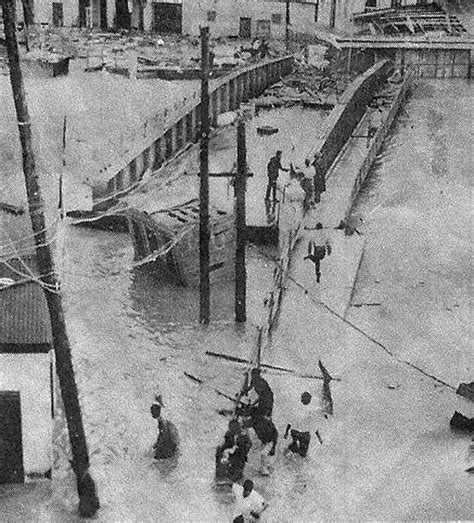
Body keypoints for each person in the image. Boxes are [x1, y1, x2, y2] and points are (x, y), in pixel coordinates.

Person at [284, 392, 319, 458]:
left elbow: (289, 423)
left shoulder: (296, 409)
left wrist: (286, 433)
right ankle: (297, 453)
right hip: (303, 435)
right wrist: (319, 438)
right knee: (302, 453)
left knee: (295, 448)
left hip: (296, 433)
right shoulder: (311, 411)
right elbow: (314, 427)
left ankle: (293, 450)